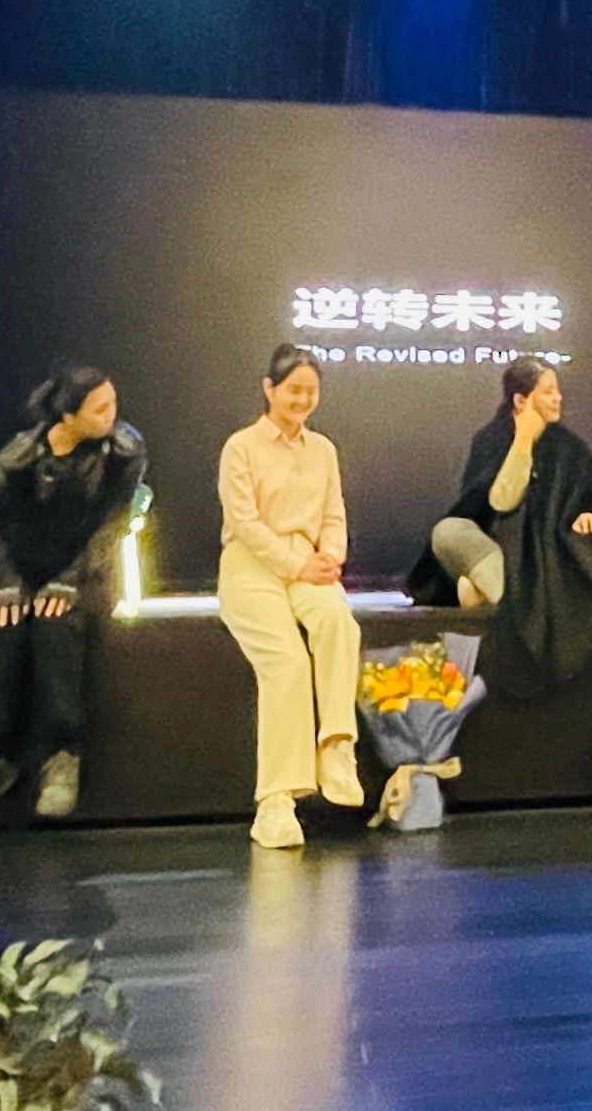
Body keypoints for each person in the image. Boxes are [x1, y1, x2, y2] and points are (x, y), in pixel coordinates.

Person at [0, 363, 149, 829]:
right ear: (68, 414)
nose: (112, 415)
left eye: (112, 404)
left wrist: (69, 580)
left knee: (56, 625)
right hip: (21, 576)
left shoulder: (123, 451)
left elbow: (113, 525)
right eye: (99, 408)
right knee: (6, 629)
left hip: (84, 577)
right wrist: (6, 582)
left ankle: (62, 755)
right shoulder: (22, 453)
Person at [217, 344, 366, 848]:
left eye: (311, 391)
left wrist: (331, 557)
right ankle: (276, 802)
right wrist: (295, 562)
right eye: (293, 390)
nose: (303, 400)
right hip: (251, 567)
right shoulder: (241, 447)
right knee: (287, 663)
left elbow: (334, 515)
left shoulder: (323, 450)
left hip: (309, 565)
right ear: (269, 388)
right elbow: (244, 523)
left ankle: (337, 748)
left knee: (338, 622)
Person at [412, 356, 592, 699]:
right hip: (502, 551)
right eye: (548, 392)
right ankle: (576, 593)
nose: (558, 398)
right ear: (521, 400)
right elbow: (500, 503)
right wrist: (523, 441)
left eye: (557, 391)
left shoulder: (569, 446)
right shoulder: (491, 440)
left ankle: (490, 595)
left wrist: (590, 514)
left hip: (558, 550)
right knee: (448, 533)